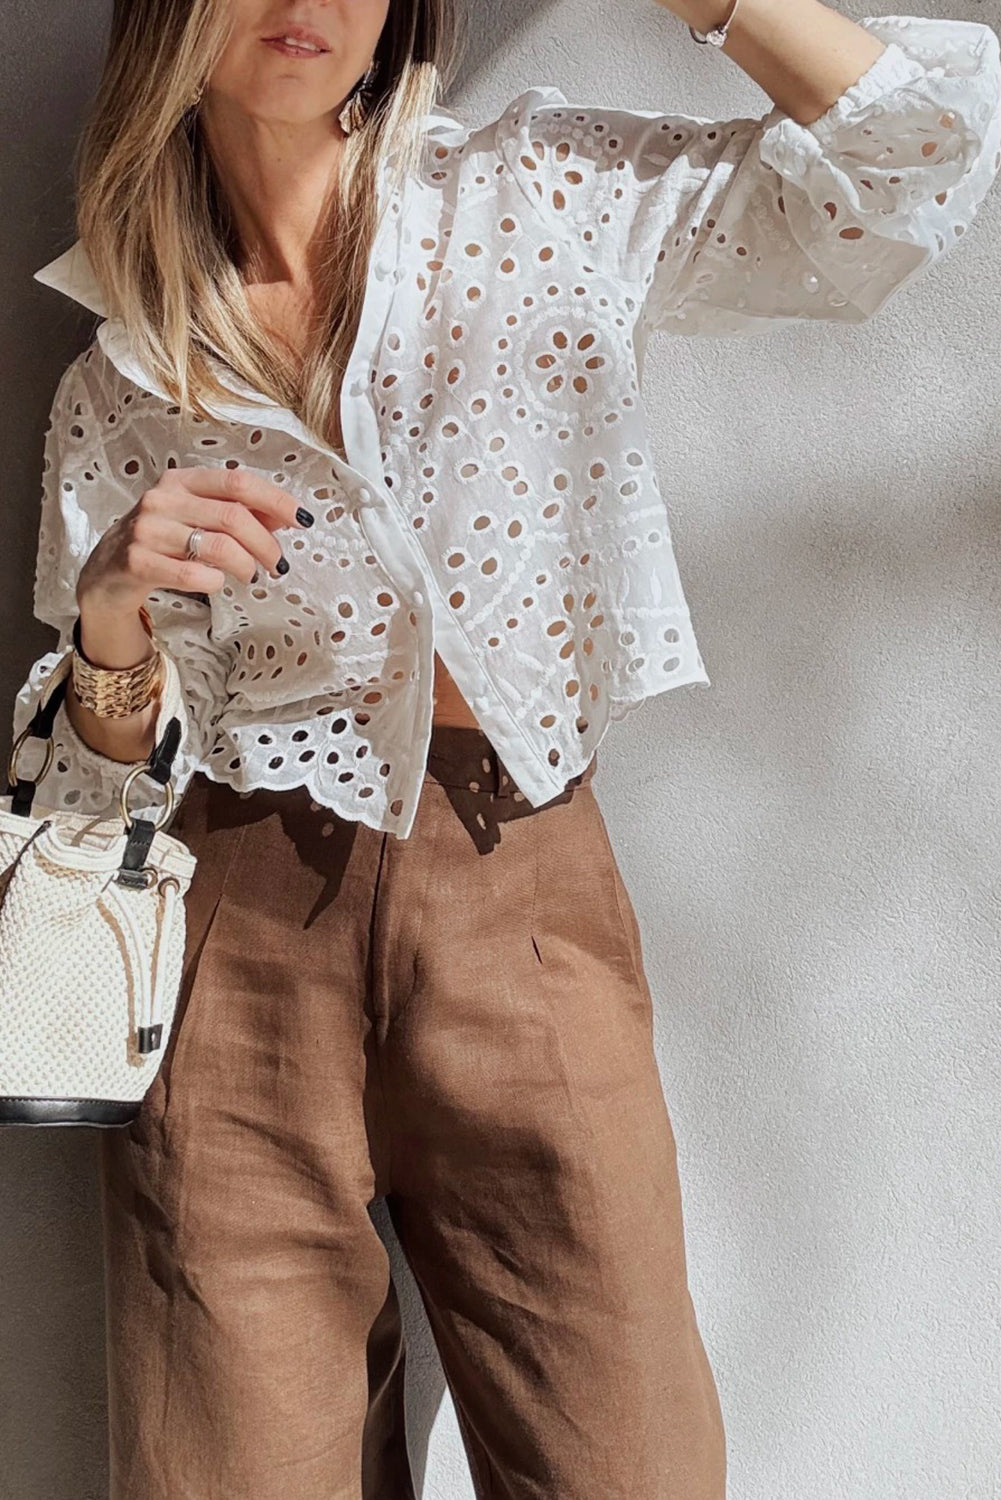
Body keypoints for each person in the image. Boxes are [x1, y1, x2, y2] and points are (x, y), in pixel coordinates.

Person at [9, 0, 1000, 1493]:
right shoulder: (120, 376)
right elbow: (90, 794)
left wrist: (718, 5)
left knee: (624, 1452)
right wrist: (109, 623)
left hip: (521, 898)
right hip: (228, 955)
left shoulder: (535, 195)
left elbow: (924, 153)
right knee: (226, 1466)